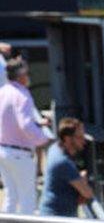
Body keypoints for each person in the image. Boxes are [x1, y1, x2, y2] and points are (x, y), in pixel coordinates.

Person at [0, 58, 52, 214]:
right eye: (27, 73)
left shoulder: (3, 92)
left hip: (3, 151)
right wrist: (44, 139)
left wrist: (39, 123)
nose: (29, 76)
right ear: (20, 75)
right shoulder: (22, 94)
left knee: (11, 198)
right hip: (20, 154)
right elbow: (25, 125)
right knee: (28, 201)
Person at [39, 117, 94, 217]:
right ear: (67, 139)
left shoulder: (55, 148)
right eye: (80, 137)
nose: (84, 141)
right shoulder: (64, 163)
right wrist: (83, 179)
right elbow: (88, 193)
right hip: (57, 217)